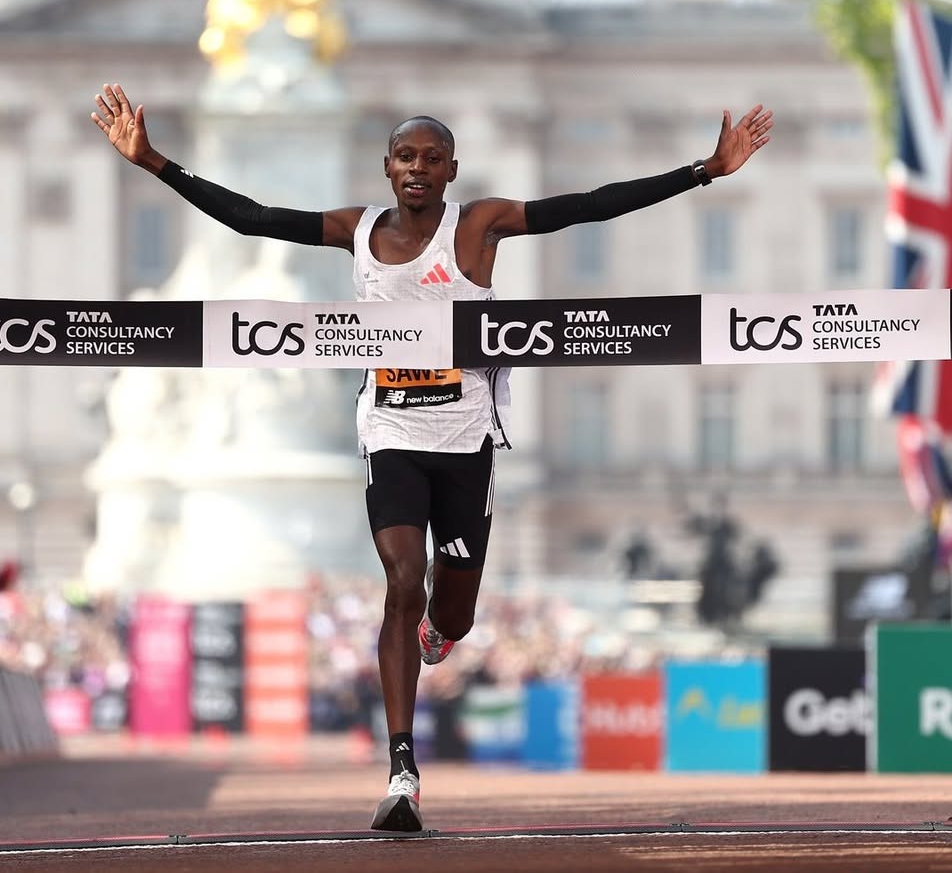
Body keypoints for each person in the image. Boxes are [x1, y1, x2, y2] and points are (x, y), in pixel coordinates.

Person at [91, 82, 773, 831]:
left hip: (466, 442)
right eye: (405, 156)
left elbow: (588, 203)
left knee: (452, 613)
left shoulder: (479, 226)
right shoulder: (356, 230)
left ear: (451, 170)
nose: (418, 167)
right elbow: (253, 219)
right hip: (390, 433)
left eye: (433, 158)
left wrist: (703, 170)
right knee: (402, 580)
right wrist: (152, 160)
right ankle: (402, 767)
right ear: (386, 166)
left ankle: (441, 633)